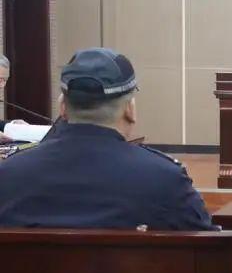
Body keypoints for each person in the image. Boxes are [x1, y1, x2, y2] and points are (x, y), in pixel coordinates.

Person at [0, 47, 214, 231]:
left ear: (63, 108)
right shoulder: (164, 179)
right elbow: (206, 244)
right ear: (130, 110)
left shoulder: (8, 175)